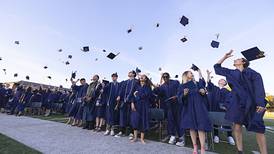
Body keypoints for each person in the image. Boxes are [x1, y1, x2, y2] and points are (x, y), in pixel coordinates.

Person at [214, 50, 267, 154]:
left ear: (243, 62)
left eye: (237, 59)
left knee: (259, 128)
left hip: (252, 103)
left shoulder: (252, 73)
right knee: (237, 126)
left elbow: (259, 87)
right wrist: (225, 57)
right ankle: (240, 151)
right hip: (237, 102)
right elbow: (217, 68)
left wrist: (260, 103)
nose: (235, 59)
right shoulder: (231, 72)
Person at [178, 70, 212, 154]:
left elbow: (203, 89)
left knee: (201, 127)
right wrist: (184, 95)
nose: (192, 74)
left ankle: (203, 148)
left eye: (192, 73)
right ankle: (195, 147)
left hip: (199, 107)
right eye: (190, 73)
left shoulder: (197, 83)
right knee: (192, 127)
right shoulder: (182, 86)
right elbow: (180, 98)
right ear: (185, 75)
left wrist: (203, 92)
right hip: (189, 108)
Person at [206, 70, 235, 145]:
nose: (221, 80)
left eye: (223, 80)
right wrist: (208, 74)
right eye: (220, 79)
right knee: (215, 121)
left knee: (226, 121)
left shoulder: (227, 91)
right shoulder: (214, 88)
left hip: (224, 109)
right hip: (214, 107)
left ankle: (229, 136)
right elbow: (208, 83)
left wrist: (226, 106)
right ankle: (216, 135)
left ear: (225, 83)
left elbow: (230, 100)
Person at [154, 73, 184, 146]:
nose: (165, 78)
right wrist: (156, 88)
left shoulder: (175, 82)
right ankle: (172, 136)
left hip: (177, 105)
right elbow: (159, 94)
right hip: (169, 106)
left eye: (166, 76)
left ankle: (181, 138)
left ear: (169, 76)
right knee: (170, 121)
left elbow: (180, 90)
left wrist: (176, 96)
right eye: (163, 77)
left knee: (178, 121)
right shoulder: (162, 86)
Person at [115, 70, 139, 139]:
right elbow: (121, 90)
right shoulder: (125, 82)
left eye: (130, 72)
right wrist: (119, 95)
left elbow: (137, 92)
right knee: (122, 116)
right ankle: (121, 131)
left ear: (134, 74)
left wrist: (133, 101)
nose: (129, 73)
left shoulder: (136, 81)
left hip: (132, 102)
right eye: (129, 72)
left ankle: (131, 133)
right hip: (124, 101)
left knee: (131, 117)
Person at [131, 74, 153, 144]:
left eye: (143, 76)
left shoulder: (148, 87)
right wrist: (132, 103)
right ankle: (135, 138)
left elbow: (145, 95)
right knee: (135, 120)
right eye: (141, 76)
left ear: (146, 79)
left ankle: (142, 138)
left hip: (144, 106)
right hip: (136, 105)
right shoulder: (136, 86)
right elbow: (132, 95)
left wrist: (136, 95)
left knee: (143, 121)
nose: (141, 77)